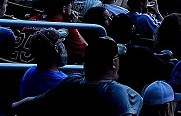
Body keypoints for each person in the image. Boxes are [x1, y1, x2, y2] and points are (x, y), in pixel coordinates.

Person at [12, 36, 143, 115]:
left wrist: (10, 108)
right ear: (113, 63)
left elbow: (33, 102)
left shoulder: (71, 81)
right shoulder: (115, 92)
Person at [18, 31, 66, 100]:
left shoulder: (29, 73)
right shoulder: (63, 82)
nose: (63, 46)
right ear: (56, 49)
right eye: (60, 43)